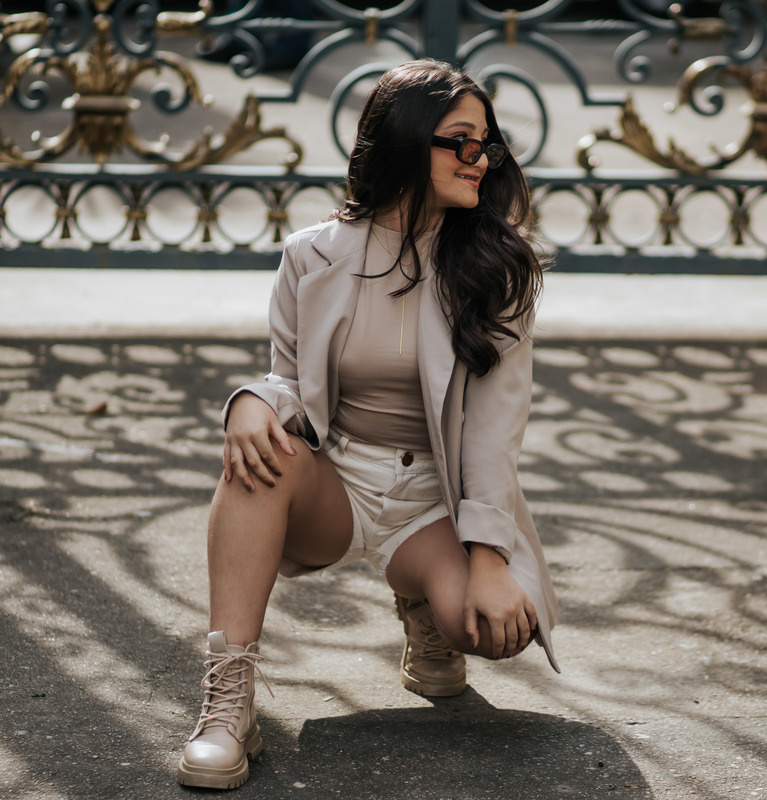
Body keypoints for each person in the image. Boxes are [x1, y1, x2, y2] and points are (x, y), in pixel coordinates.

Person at [176, 59, 561, 791]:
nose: (481, 159)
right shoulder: (312, 254)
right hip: (339, 485)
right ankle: (228, 703)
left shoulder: (497, 267)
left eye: (487, 143)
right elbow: (291, 382)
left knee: (494, 631)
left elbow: (493, 429)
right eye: (462, 141)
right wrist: (254, 401)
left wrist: (487, 560)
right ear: (408, 142)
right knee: (257, 456)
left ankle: (427, 611)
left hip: (434, 506)